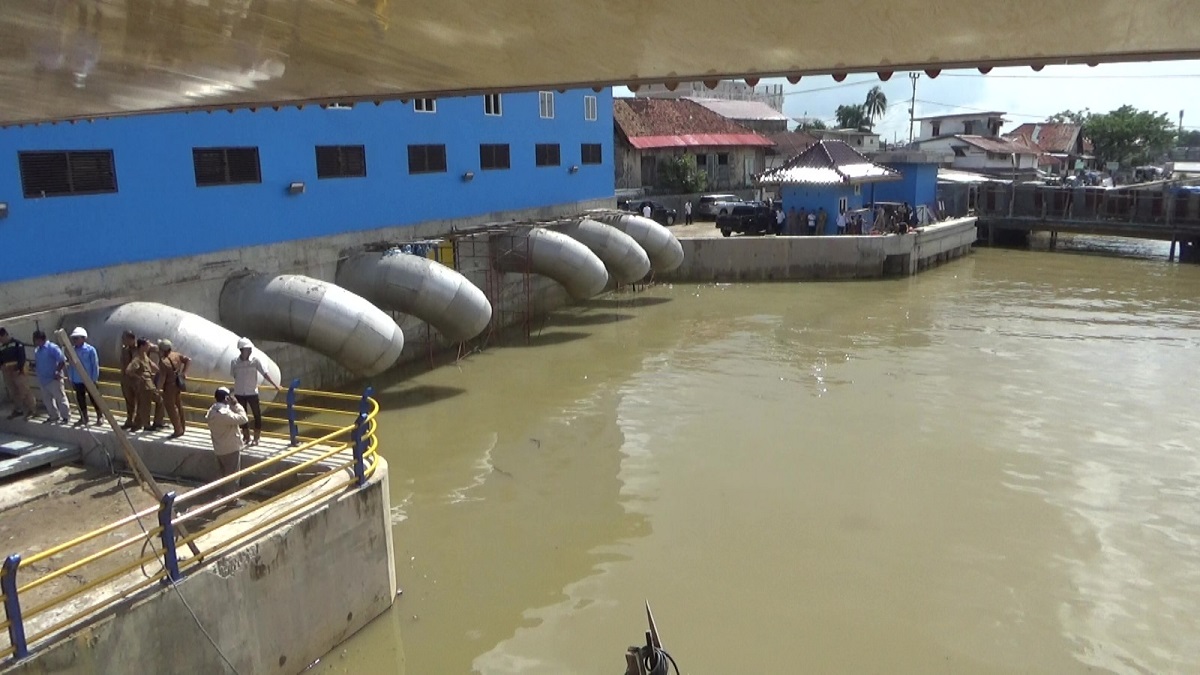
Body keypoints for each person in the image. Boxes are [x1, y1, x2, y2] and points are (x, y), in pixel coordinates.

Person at [230, 337, 281, 446]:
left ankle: (256, 437)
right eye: (247, 349)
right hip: (240, 393)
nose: (249, 351)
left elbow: (265, 373)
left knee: (257, 415)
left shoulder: (255, 361)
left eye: (249, 349)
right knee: (242, 415)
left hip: (252, 393)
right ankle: (246, 436)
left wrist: (275, 385)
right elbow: (234, 376)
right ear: (241, 350)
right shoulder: (234, 362)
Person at [205, 387, 248, 495]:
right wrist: (237, 405)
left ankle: (223, 494)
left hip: (219, 448)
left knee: (223, 474)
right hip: (230, 449)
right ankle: (231, 500)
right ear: (226, 398)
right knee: (232, 477)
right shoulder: (224, 414)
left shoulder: (212, 410)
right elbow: (243, 419)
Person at [154, 339, 191, 439]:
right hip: (177, 384)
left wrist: (158, 389)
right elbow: (188, 360)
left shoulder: (164, 362)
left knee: (171, 408)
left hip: (169, 387)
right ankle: (182, 427)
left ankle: (178, 430)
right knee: (179, 406)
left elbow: (162, 377)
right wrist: (184, 373)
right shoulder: (176, 355)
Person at [32, 330, 70, 424]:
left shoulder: (52, 347)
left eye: (36, 340)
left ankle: (65, 416)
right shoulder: (37, 351)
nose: (35, 342)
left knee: (60, 398)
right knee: (47, 400)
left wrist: (57, 371)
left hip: (53, 379)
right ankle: (53, 416)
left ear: (40, 339)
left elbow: (62, 360)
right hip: (43, 379)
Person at [67, 327, 103, 426]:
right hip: (78, 380)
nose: (75, 341)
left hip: (89, 379)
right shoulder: (72, 351)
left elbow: (94, 365)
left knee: (94, 398)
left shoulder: (90, 350)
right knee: (80, 399)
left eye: (77, 338)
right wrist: (71, 378)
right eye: (74, 338)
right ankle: (84, 417)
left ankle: (100, 416)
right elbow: (71, 365)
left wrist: (94, 379)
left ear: (83, 338)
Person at [124, 337, 161, 432]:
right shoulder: (137, 359)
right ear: (142, 346)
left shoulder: (145, 356)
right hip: (144, 385)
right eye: (147, 345)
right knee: (145, 406)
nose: (149, 346)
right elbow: (128, 371)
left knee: (159, 401)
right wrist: (139, 377)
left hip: (150, 383)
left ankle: (156, 422)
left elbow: (153, 366)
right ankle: (146, 425)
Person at [0, 328, 36, 420]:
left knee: (24, 390)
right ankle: (18, 409)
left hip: (18, 370)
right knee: (13, 391)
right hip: (7, 371)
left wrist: (19, 368)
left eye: (1, 337)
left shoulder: (17, 343)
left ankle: (32, 409)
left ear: (5, 335)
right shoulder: (2, 347)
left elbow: (21, 357)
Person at [119, 330, 138, 429]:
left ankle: (138, 422)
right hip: (126, 379)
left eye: (124, 339)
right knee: (129, 401)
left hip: (136, 379)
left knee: (139, 401)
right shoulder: (124, 350)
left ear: (131, 339)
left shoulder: (139, 349)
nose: (123, 341)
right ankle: (130, 420)